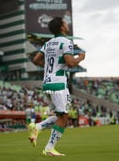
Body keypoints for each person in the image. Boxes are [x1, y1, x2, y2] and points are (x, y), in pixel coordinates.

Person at [28, 17, 85, 156]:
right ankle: (49, 148)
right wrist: (81, 58)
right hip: (58, 83)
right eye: (65, 23)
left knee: (60, 115)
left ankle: (38, 127)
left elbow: (36, 59)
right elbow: (70, 63)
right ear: (61, 27)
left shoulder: (48, 43)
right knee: (64, 117)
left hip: (47, 81)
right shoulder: (66, 42)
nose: (67, 24)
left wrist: (48, 68)